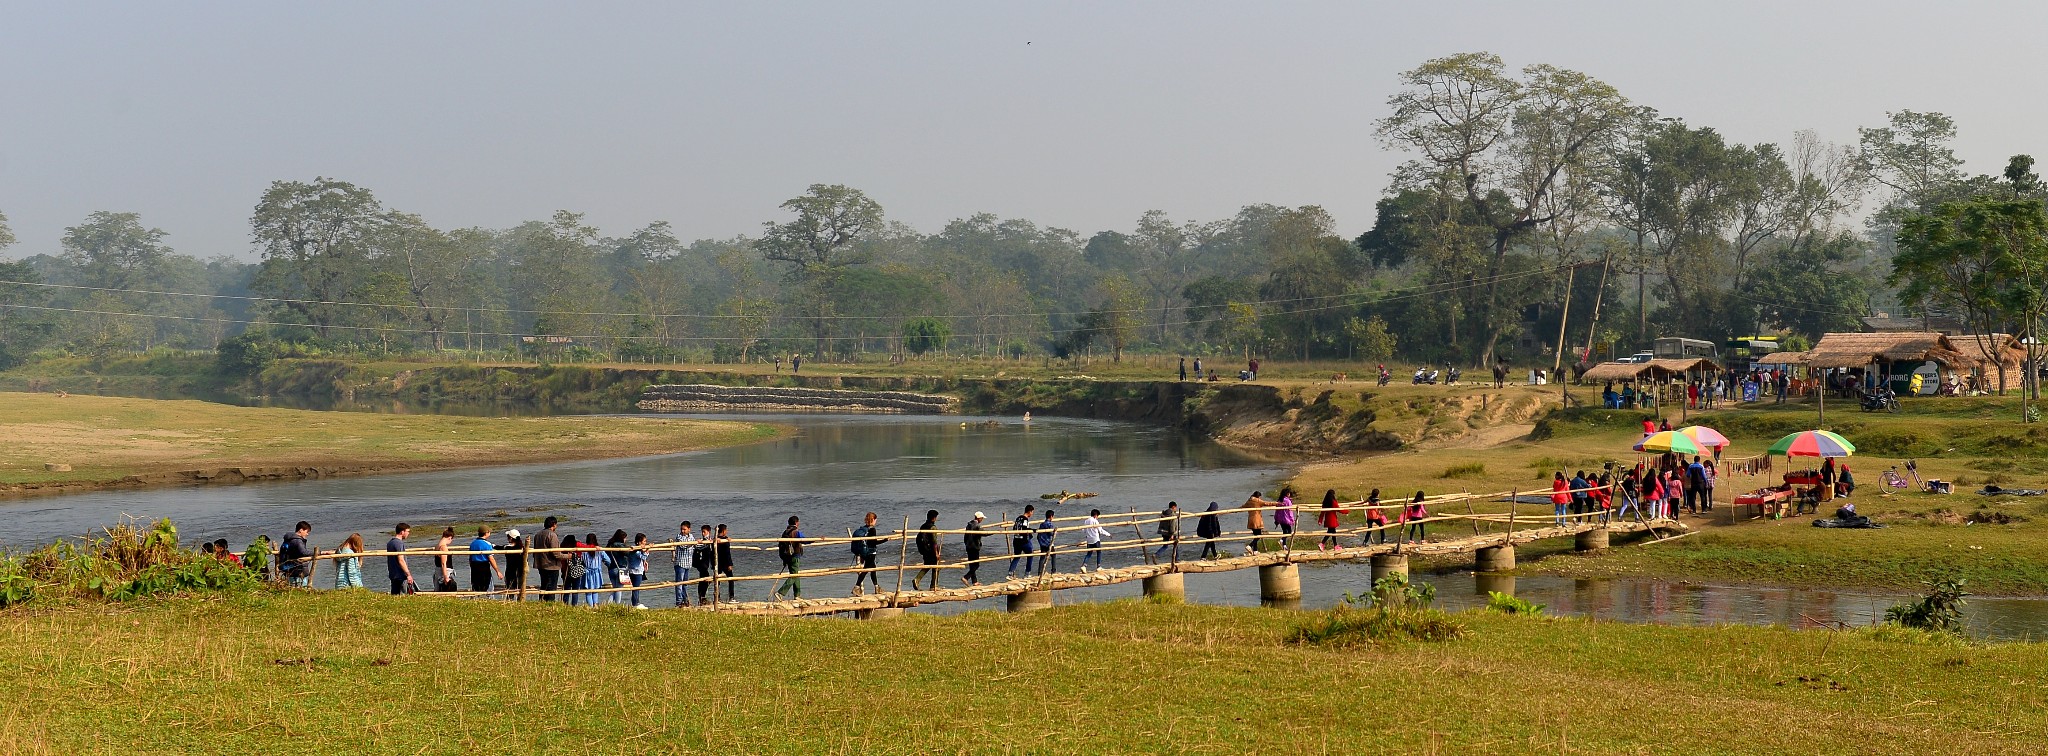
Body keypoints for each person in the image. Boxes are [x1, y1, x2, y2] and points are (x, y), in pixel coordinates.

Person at [534, 516, 564, 602]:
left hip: (540, 564)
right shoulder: (552, 535)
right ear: (554, 525)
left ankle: (542, 601)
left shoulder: (538, 534)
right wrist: (567, 556)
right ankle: (550, 603)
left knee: (544, 584)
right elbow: (556, 553)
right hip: (551, 565)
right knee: (551, 586)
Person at [851, 512, 881, 595]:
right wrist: (886, 540)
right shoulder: (872, 530)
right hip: (871, 553)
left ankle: (877, 587)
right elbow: (874, 543)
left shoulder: (864, 529)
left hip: (865, 552)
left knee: (873, 569)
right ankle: (856, 587)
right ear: (873, 520)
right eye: (875, 519)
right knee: (866, 570)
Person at [911, 509, 941, 590]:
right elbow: (934, 542)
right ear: (934, 518)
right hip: (931, 549)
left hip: (924, 549)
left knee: (927, 565)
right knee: (936, 567)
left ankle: (917, 579)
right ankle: (933, 586)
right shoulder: (933, 527)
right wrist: (936, 553)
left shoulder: (923, 526)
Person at [579, 534, 612, 607]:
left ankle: (590, 606)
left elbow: (580, 560)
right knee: (595, 589)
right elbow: (608, 560)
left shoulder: (583, 550)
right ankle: (595, 604)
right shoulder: (599, 550)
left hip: (587, 572)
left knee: (588, 591)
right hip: (597, 572)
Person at [278, 521, 313, 588]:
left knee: (292, 586)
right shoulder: (297, 541)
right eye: (307, 531)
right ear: (301, 530)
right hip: (297, 569)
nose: (307, 534)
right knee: (301, 587)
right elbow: (303, 552)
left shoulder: (288, 539)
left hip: (288, 567)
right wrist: (319, 552)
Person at [469, 526, 503, 594]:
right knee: (488, 585)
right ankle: (490, 599)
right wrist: (497, 571)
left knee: (476, 585)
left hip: (474, 566)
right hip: (484, 566)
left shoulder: (473, 543)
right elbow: (491, 558)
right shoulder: (487, 544)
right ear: (486, 533)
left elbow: (470, 557)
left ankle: (476, 599)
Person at [385, 523, 414, 595]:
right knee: (403, 595)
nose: (408, 533)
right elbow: (401, 560)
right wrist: (408, 574)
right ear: (402, 532)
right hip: (400, 575)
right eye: (407, 531)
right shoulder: (399, 543)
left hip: (393, 574)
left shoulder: (390, 543)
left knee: (395, 594)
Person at [674, 520, 697, 607]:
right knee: (679, 583)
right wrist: (693, 543)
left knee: (685, 583)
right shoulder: (679, 537)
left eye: (684, 529)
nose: (682, 531)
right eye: (682, 529)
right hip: (680, 563)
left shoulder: (691, 536)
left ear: (689, 529)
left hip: (688, 563)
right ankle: (679, 601)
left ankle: (685, 599)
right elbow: (684, 546)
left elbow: (696, 545)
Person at [1008, 508, 1035, 578]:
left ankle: (1010, 573)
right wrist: (1032, 530)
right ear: (1029, 511)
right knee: (1030, 554)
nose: (1032, 514)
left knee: (1017, 556)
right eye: (1032, 512)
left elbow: (1014, 528)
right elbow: (1024, 529)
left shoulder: (1018, 518)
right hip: (1023, 540)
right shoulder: (1025, 519)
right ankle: (1027, 573)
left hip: (1016, 540)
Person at [604, 529, 630, 604]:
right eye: (625, 538)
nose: (625, 540)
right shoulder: (620, 545)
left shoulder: (609, 545)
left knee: (614, 588)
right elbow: (628, 553)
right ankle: (617, 605)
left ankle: (608, 604)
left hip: (611, 568)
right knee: (619, 589)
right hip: (621, 568)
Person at [692, 525, 716, 604]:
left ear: (708, 532)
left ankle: (702, 597)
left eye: (704, 532)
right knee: (704, 579)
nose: (703, 533)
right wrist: (699, 543)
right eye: (702, 532)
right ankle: (702, 597)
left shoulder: (710, 540)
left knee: (705, 580)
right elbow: (698, 548)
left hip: (707, 563)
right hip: (701, 563)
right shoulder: (703, 541)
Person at [962, 512, 987, 586]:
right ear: (979, 518)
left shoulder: (969, 525)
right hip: (974, 547)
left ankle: (974, 581)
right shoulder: (977, 526)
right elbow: (984, 533)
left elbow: (965, 536)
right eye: (982, 518)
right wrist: (994, 532)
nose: (982, 520)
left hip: (968, 546)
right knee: (976, 565)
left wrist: (966, 544)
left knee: (972, 564)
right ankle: (966, 577)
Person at [626, 533, 650, 609]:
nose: (645, 543)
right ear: (639, 542)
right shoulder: (635, 551)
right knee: (636, 588)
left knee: (635, 588)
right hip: (636, 571)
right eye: (644, 541)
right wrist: (648, 550)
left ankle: (636, 602)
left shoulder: (635, 550)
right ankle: (635, 603)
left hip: (632, 570)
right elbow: (643, 556)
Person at [714, 524, 736, 601]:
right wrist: (730, 564)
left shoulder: (719, 539)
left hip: (718, 562)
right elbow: (727, 553)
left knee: (718, 581)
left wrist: (727, 538)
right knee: (730, 579)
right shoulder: (718, 540)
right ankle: (731, 597)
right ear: (723, 531)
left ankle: (718, 597)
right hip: (724, 563)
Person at [433, 527, 457, 592]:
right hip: (444, 571)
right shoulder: (443, 547)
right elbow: (443, 563)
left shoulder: (437, 545)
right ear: (450, 537)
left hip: (438, 571)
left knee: (438, 589)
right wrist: (446, 576)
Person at [504, 528, 527, 593]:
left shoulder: (507, 547)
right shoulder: (522, 547)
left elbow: (498, 547)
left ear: (511, 538)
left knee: (510, 589)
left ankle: (510, 600)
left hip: (510, 571)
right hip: (520, 570)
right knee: (520, 589)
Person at [1034, 510, 1058, 575]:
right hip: (1048, 543)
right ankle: (1053, 571)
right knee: (1053, 555)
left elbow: (1039, 534)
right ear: (1051, 516)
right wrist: (1055, 532)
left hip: (1042, 542)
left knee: (1042, 557)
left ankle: (1040, 572)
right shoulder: (1049, 524)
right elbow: (1050, 533)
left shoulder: (1042, 524)